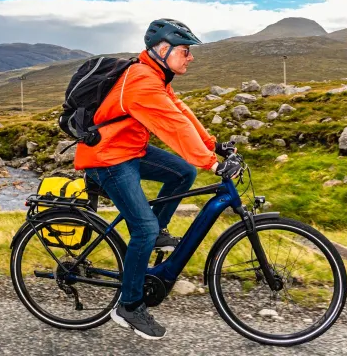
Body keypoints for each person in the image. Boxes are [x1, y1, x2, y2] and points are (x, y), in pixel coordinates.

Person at [74, 18, 242, 340]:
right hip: (107, 158)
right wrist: (214, 164)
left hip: (130, 150)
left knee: (184, 172)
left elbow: (181, 112)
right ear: (162, 50)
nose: (190, 56)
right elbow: (173, 127)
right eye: (185, 50)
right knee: (144, 228)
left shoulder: (156, 75)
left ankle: (157, 232)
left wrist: (213, 146)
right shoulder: (142, 81)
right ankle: (130, 306)